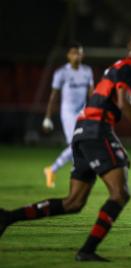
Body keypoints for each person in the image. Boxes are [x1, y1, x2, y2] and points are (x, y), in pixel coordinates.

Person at [0, 30, 131, 261]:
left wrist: (116, 144)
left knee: (73, 202)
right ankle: (87, 250)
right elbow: (125, 103)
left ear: (130, 45)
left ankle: (8, 218)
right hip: (95, 131)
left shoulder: (117, 66)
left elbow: (106, 104)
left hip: (82, 132)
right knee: (120, 194)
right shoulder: (129, 68)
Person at [42, 42, 94, 188]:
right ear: (68, 56)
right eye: (73, 53)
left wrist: (94, 110)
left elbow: (92, 93)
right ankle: (53, 170)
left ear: (82, 55)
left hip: (82, 112)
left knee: (80, 144)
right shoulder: (61, 73)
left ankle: (75, 174)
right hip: (68, 112)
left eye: (79, 53)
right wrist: (47, 116)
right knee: (75, 144)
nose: (76, 56)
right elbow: (54, 96)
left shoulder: (87, 71)